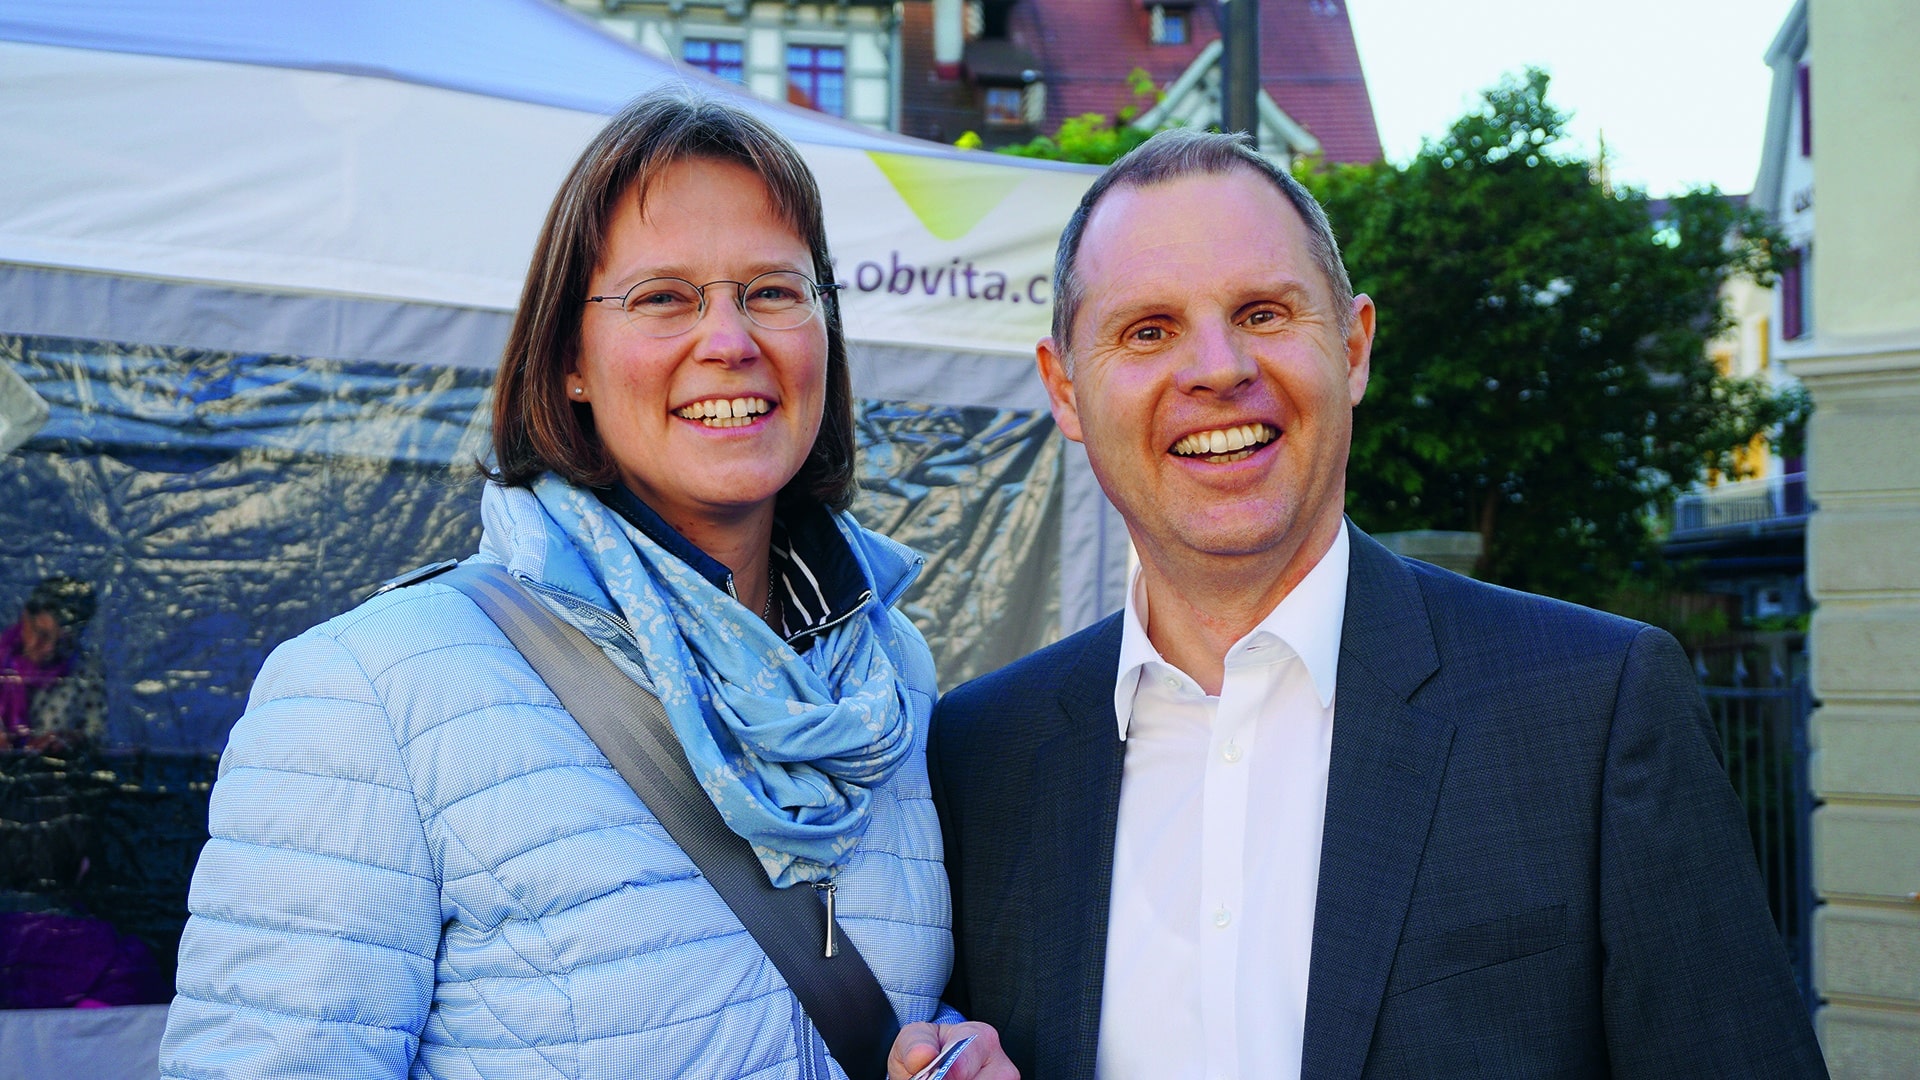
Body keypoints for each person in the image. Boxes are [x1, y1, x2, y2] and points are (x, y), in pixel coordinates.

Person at [913, 129, 1829, 1079]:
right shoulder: (984, 756)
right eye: (1149, 330)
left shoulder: (1593, 711)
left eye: (1263, 312)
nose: (1218, 368)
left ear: (1352, 348)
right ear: (1065, 388)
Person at [160, 90, 1007, 1079]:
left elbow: (832, 998)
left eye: (774, 292)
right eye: (664, 298)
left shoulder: (886, 676)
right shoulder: (375, 691)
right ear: (570, 360)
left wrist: (945, 1044)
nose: (730, 341)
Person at [1, 574, 104, 752]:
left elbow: (98, 736)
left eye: (62, 642)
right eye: (41, 634)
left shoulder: (86, 670)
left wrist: (71, 740)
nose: (49, 648)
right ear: (25, 618)